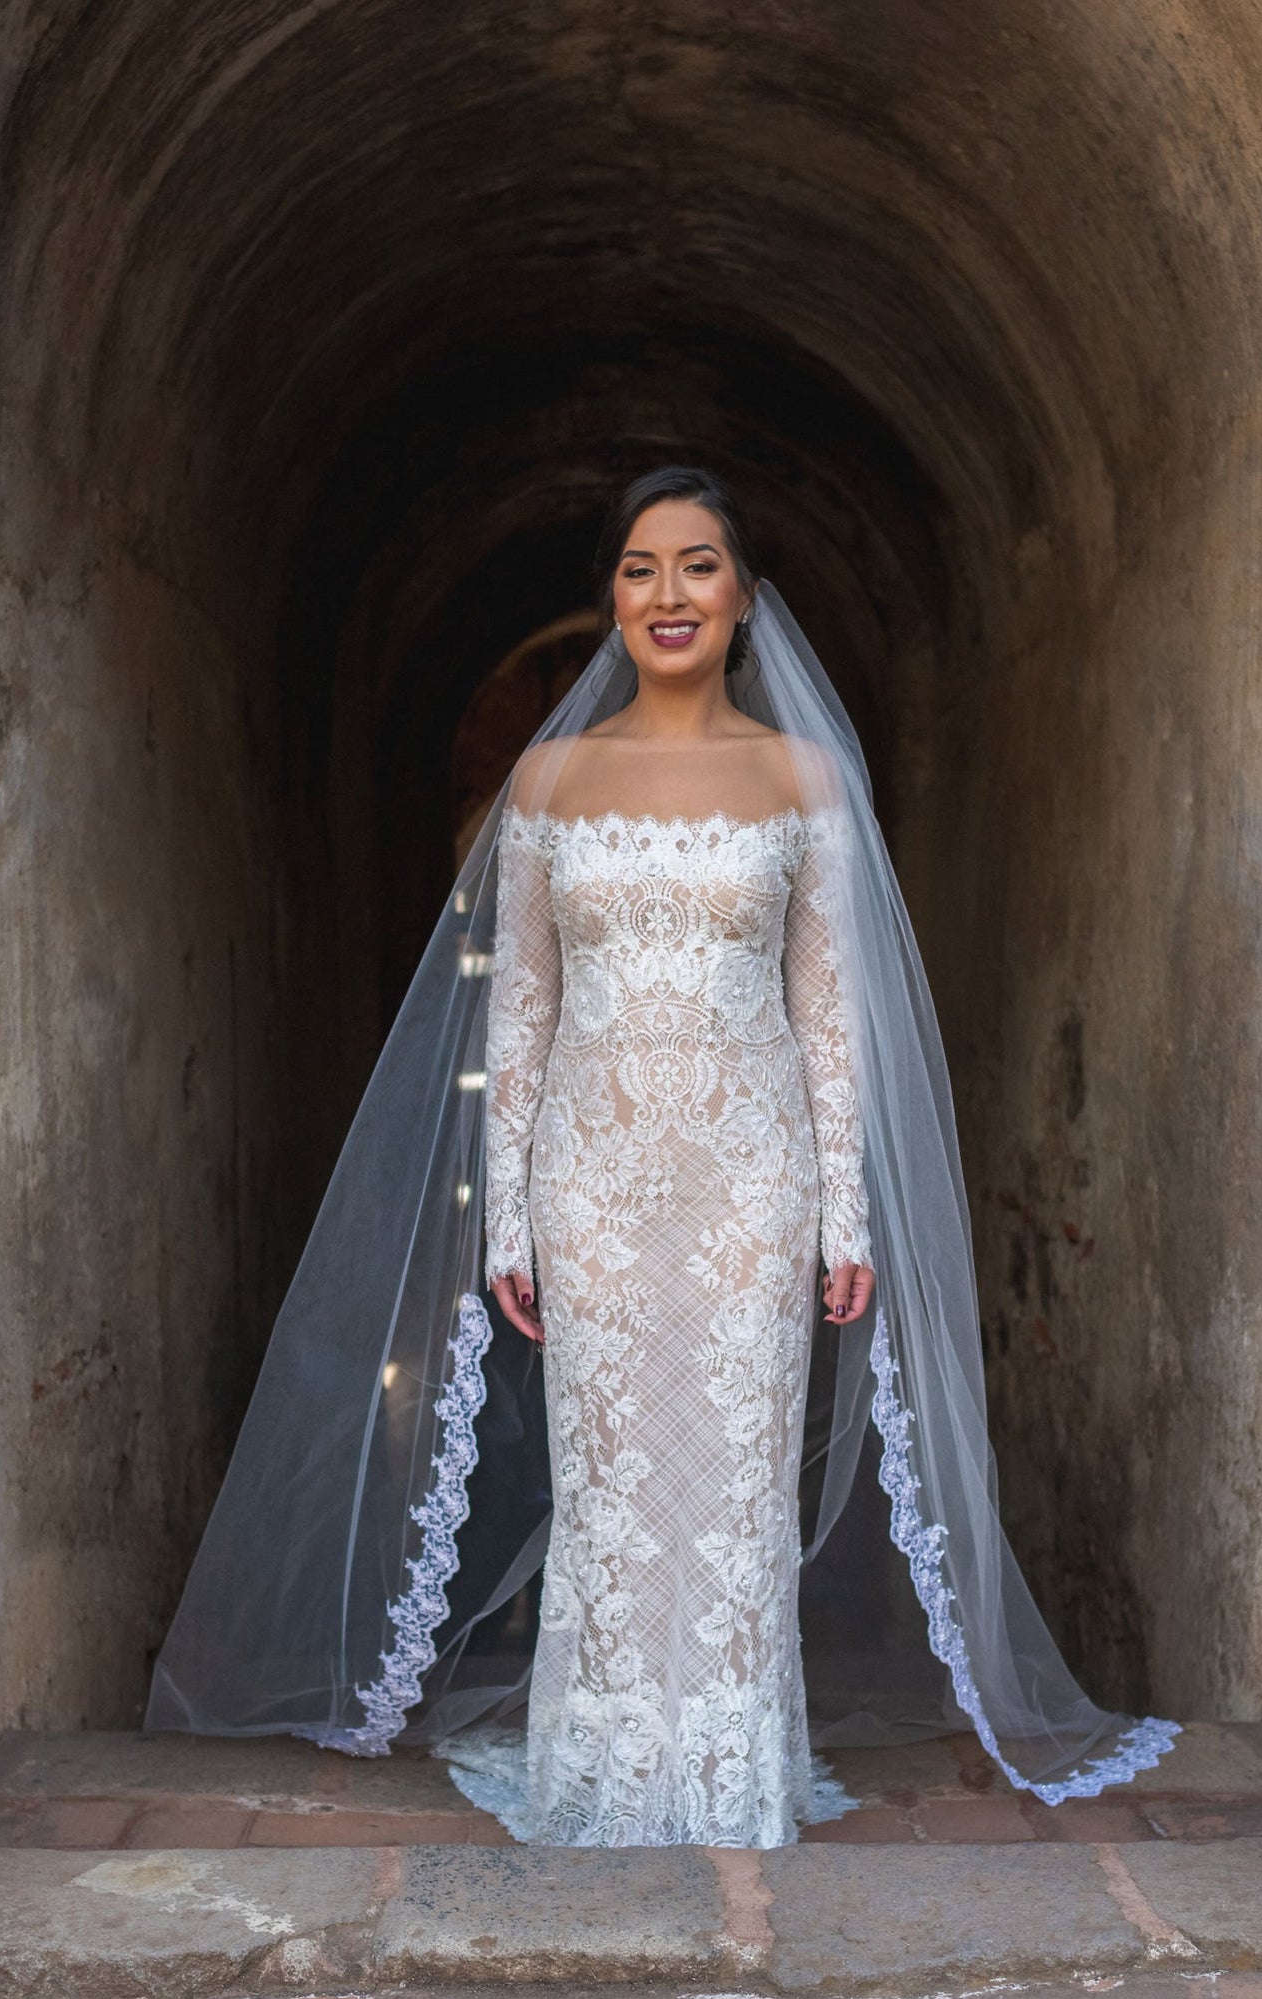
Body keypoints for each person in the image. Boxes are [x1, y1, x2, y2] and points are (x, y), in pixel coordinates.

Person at [147, 467, 1174, 1845]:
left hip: (754, 1180)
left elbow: (826, 1009)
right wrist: (507, 1218)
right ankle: (606, 1765)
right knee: (616, 1477)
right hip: (596, 1182)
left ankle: (732, 1775)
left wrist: (846, 1215)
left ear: (744, 597)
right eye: (640, 568)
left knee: (738, 1477)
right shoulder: (549, 778)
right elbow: (520, 1014)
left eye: (698, 566)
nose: (669, 593)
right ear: (613, 599)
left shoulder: (803, 776)